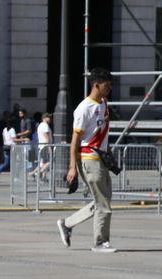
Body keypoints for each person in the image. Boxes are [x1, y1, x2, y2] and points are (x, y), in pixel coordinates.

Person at [56, 68, 117, 253]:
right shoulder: (84, 108)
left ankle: (67, 224)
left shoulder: (104, 104)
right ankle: (100, 242)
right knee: (103, 203)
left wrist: (110, 155)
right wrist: (72, 167)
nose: (110, 88)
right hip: (90, 159)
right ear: (96, 85)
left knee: (103, 200)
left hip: (101, 158)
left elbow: (102, 134)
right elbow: (75, 139)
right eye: (107, 85)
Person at [32, 113, 53, 179]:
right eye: (49, 117)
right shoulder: (45, 125)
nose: (50, 119)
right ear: (45, 118)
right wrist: (49, 145)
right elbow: (46, 136)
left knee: (43, 163)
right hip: (45, 146)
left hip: (41, 146)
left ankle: (34, 173)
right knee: (50, 161)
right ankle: (39, 172)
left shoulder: (40, 125)